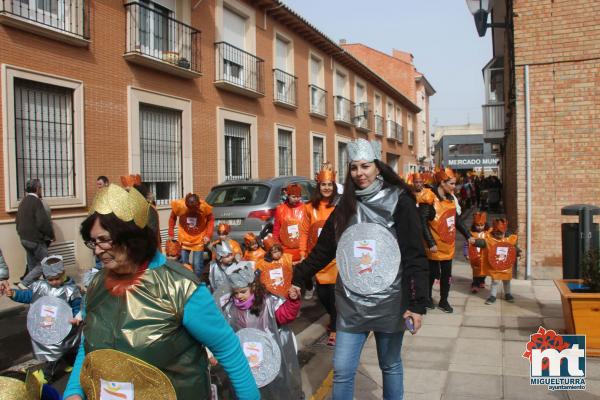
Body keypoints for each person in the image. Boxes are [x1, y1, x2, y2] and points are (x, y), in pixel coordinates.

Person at [62, 184, 259, 400]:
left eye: (104, 240)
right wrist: (74, 391)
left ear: (131, 238)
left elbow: (228, 350)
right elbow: (89, 347)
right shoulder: (97, 283)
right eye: (93, 241)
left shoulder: (181, 288)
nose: (97, 250)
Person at [292, 139, 429, 400]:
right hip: (352, 304)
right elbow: (323, 250)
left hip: (390, 302)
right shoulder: (345, 205)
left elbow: (415, 255)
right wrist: (298, 277)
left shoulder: (399, 200)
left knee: (389, 365)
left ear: (378, 167)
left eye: (365, 166)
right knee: (342, 369)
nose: (360, 173)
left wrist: (418, 303)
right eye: (354, 168)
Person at [223, 263, 302, 399]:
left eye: (243, 292)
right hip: (246, 358)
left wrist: (293, 301)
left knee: (275, 386)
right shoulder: (230, 309)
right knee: (251, 387)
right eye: (236, 293)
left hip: (270, 353)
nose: (239, 296)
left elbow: (285, 315)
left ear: (253, 287)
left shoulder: (268, 303)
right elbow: (225, 331)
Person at [0, 255, 82, 382]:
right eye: (50, 279)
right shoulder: (40, 286)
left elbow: (77, 305)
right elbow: (27, 295)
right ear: (45, 277)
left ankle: (47, 376)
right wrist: (14, 294)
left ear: (63, 274)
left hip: (65, 325)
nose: (54, 282)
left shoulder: (71, 290)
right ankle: (71, 363)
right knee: (54, 348)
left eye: (57, 278)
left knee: (64, 347)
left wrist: (77, 317)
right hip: (48, 325)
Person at [419, 167, 470, 313]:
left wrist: (469, 236)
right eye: (452, 184)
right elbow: (422, 222)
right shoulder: (428, 198)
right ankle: (427, 298)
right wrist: (431, 243)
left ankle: (443, 300)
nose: (455, 187)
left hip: (447, 245)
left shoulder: (450, 199)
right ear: (442, 182)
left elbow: (457, 221)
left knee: (446, 276)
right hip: (433, 247)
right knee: (432, 274)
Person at [299, 161, 339, 346]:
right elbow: (305, 232)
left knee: (335, 294)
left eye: (330, 184)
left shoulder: (339, 206)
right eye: (324, 184)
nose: (327, 188)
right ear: (318, 185)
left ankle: (336, 328)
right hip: (318, 259)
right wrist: (302, 253)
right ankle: (333, 316)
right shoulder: (309, 208)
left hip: (336, 259)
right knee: (323, 295)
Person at [469, 218, 520, 304]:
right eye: (497, 233)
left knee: (507, 280)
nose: (499, 235)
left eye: (501, 233)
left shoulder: (508, 240)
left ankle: (508, 294)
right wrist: (475, 242)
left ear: (504, 232)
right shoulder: (490, 240)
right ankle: (492, 296)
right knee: (495, 281)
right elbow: (482, 243)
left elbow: (513, 247)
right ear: (494, 232)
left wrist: (518, 252)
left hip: (506, 265)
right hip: (495, 266)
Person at [16, 179, 55, 288]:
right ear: (37, 188)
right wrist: (51, 235)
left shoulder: (23, 201)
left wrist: (20, 234)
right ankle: (25, 283)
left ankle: (32, 289)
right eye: (41, 188)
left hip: (24, 238)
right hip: (35, 239)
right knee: (45, 263)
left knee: (32, 265)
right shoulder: (37, 202)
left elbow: (17, 221)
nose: (41, 190)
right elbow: (42, 222)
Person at [169, 193, 214, 278]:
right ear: (186, 205)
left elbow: (211, 220)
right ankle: (185, 282)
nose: (192, 211)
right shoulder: (180, 205)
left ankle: (197, 283)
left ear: (198, 204)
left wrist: (208, 235)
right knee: (183, 264)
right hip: (184, 237)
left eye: (194, 209)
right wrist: (171, 233)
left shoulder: (204, 206)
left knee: (197, 265)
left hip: (199, 238)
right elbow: (172, 218)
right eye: (190, 209)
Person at [272, 183, 306, 263]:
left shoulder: (305, 208)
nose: (296, 199)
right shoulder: (280, 209)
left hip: (302, 249)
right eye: (293, 197)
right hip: (285, 249)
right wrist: (277, 245)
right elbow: (276, 229)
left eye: (298, 197)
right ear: (288, 196)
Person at [466, 212, 490, 294]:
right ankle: (475, 284)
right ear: (474, 225)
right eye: (477, 225)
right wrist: (466, 253)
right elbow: (466, 244)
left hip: (485, 255)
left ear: (485, 224)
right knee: (476, 270)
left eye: (482, 225)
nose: (480, 227)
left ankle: (482, 281)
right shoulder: (471, 234)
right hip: (474, 255)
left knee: (484, 269)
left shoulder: (488, 233)